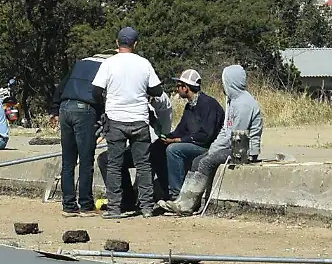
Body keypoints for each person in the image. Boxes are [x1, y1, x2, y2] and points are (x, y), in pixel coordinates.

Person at [92, 27, 169, 218]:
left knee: (114, 165)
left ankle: (115, 208)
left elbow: (95, 91)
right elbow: (158, 91)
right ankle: (146, 207)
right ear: (136, 44)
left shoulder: (109, 64)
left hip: (116, 120)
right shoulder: (144, 64)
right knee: (144, 165)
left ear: (117, 43)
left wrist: (107, 102)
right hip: (139, 120)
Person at [166, 64, 263, 214]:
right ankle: (182, 200)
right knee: (198, 160)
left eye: (224, 81)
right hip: (230, 146)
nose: (223, 85)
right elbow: (226, 130)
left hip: (243, 150)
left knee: (205, 162)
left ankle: (187, 206)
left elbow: (237, 136)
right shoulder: (233, 101)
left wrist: (213, 150)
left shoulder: (244, 104)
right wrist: (214, 148)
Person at [160, 69, 224, 200]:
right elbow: (181, 130)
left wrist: (178, 141)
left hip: (207, 147)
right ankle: (161, 190)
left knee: (174, 150)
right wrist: (168, 136)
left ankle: (177, 196)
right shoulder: (189, 106)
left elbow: (206, 136)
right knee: (157, 147)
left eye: (178, 86)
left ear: (186, 87)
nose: (177, 89)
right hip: (193, 143)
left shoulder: (208, 104)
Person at [53, 53, 104, 216]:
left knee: (68, 161)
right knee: (86, 160)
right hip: (84, 109)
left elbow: (61, 87)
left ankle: (68, 205)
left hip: (65, 107)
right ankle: (86, 205)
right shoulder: (107, 66)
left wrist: (54, 109)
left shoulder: (79, 64)